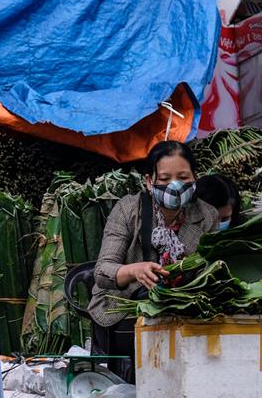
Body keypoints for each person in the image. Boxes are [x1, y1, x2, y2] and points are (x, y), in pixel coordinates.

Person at [86, 142, 218, 380]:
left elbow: (212, 270)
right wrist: (135, 270)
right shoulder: (128, 209)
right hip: (125, 308)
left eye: (183, 177)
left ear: (195, 178)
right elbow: (103, 271)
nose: (175, 185)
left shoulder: (207, 215)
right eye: (165, 178)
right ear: (149, 181)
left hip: (183, 310)